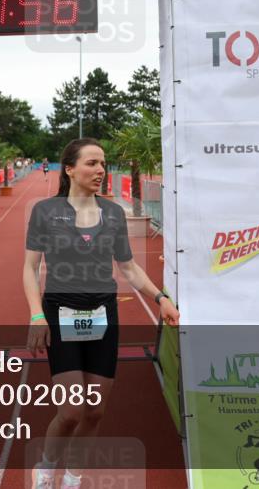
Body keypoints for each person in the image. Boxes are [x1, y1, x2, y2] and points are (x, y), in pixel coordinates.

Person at [24, 138, 179, 489]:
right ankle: (46, 468)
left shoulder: (112, 214)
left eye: (103, 163)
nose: (100, 170)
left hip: (103, 317)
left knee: (94, 410)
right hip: (60, 316)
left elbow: (128, 268)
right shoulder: (45, 211)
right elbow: (30, 269)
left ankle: (73, 477)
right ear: (69, 169)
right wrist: (36, 315)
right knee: (71, 411)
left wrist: (161, 298)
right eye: (92, 163)